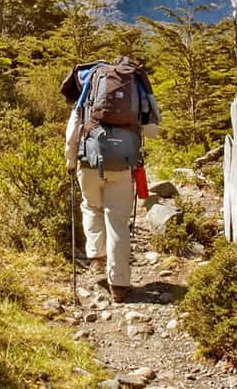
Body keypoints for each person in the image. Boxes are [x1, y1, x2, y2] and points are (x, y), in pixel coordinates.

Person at [63, 57, 161, 302]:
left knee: (91, 207)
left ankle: (97, 256)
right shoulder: (137, 85)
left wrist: (70, 159)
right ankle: (119, 284)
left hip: (89, 162)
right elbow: (152, 131)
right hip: (122, 164)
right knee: (117, 221)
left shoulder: (91, 81)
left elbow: (73, 126)